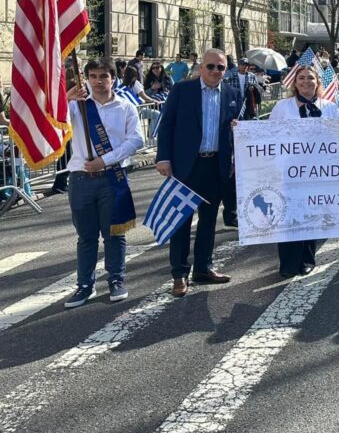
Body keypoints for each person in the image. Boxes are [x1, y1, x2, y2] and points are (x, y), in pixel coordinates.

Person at [61, 57, 145, 308]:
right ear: (86, 78)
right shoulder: (77, 107)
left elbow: (136, 140)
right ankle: (84, 285)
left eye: (104, 76)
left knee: (114, 233)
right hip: (80, 179)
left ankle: (116, 279)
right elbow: (54, 125)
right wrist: (66, 99)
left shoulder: (125, 107)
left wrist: (105, 160)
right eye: (94, 76)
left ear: (113, 78)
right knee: (86, 237)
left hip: (112, 178)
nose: (99, 81)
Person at [156, 48, 240, 297]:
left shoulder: (233, 93)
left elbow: (236, 130)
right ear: (201, 67)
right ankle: (179, 273)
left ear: (226, 70)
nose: (215, 71)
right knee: (181, 221)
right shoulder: (183, 90)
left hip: (216, 165)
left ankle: (203, 267)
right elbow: (167, 124)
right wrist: (163, 157)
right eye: (211, 66)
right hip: (186, 165)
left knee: (208, 220)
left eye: (221, 68)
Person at [268, 65, 339, 276]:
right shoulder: (283, 107)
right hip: (289, 171)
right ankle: (288, 263)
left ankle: (307, 259)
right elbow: (268, 134)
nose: (306, 81)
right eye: (301, 78)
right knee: (289, 215)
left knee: (311, 214)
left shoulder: (329, 107)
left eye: (310, 78)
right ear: (295, 82)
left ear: (318, 82)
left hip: (318, 171)